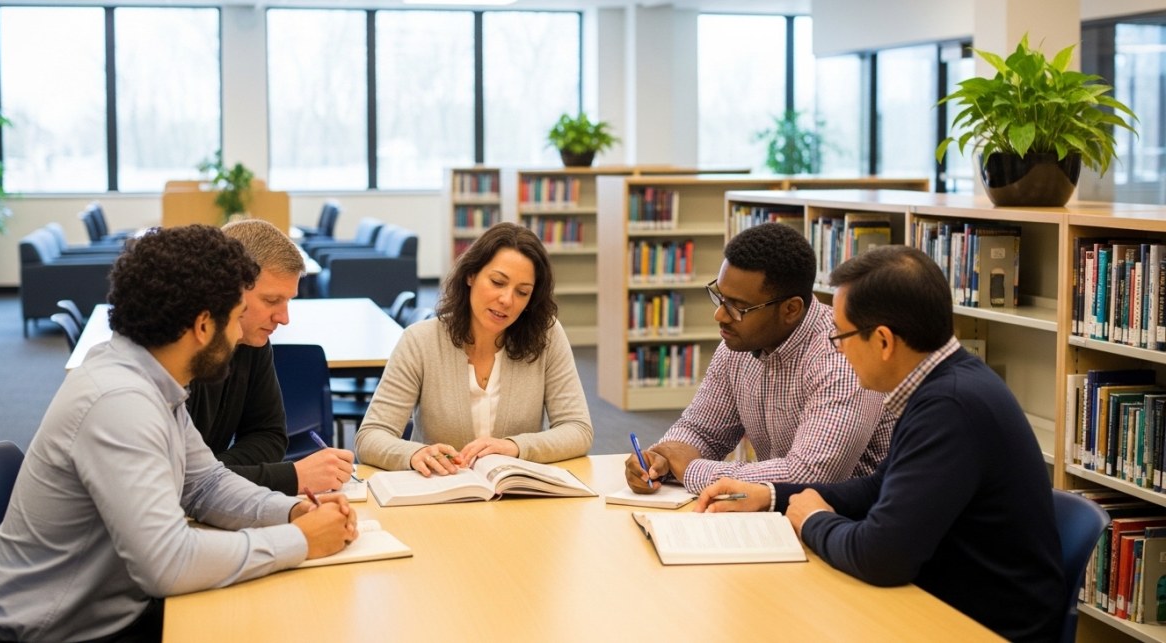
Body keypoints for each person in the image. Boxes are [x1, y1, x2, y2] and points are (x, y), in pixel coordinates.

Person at [0, 225, 358, 642]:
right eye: (234, 318)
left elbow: (205, 484)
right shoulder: (120, 402)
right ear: (202, 326)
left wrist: (287, 512)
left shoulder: (154, 380)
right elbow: (168, 564)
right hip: (62, 631)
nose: (238, 335)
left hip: (112, 606)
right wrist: (299, 540)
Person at [695, 245, 1064, 642]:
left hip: (983, 625)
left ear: (884, 341)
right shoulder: (944, 384)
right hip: (944, 598)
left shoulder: (950, 408)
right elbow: (877, 487)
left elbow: (882, 557)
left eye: (841, 335)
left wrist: (815, 520)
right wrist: (770, 495)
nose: (837, 348)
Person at [625, 222, 889, 494]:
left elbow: (810, 474)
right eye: (720, 297)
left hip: (847, 523)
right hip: (776, 516)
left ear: (791, 309)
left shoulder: (840, 358)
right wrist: (661, 461)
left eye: (738, 307)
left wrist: (692, 470)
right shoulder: (738, 345)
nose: (721, 316)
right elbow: (701, 429)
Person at [356, 222, 593, 474]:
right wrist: (414, 453)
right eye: (497, 282)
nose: (507, 300)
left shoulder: (546, 336)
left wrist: (515, 446)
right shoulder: (421, 340)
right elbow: (370, 436)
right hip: (440, 496)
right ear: (471, 275)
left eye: (522, 292)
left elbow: (578, 429)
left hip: (517, 497)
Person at [187, 219, 355, 495]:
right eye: (271, 300)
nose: (284, 318)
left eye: (288, 301)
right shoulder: (176, 357)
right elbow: (178, 481)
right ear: (228, 290)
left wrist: (212, 473)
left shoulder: (254, 342)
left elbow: (269, 437)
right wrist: (290, 477)